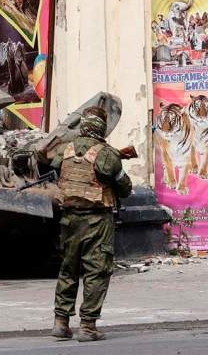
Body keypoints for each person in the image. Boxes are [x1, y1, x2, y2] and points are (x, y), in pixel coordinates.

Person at [42, 106, 132, 342]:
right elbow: (125, 189)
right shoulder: (106, 154)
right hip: (97, 220)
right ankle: (88, 326)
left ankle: (61, 322)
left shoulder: (66, 149)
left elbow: (59, 170)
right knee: (96, 271)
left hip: (69, 219)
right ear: (102, 128)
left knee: (68, 269)